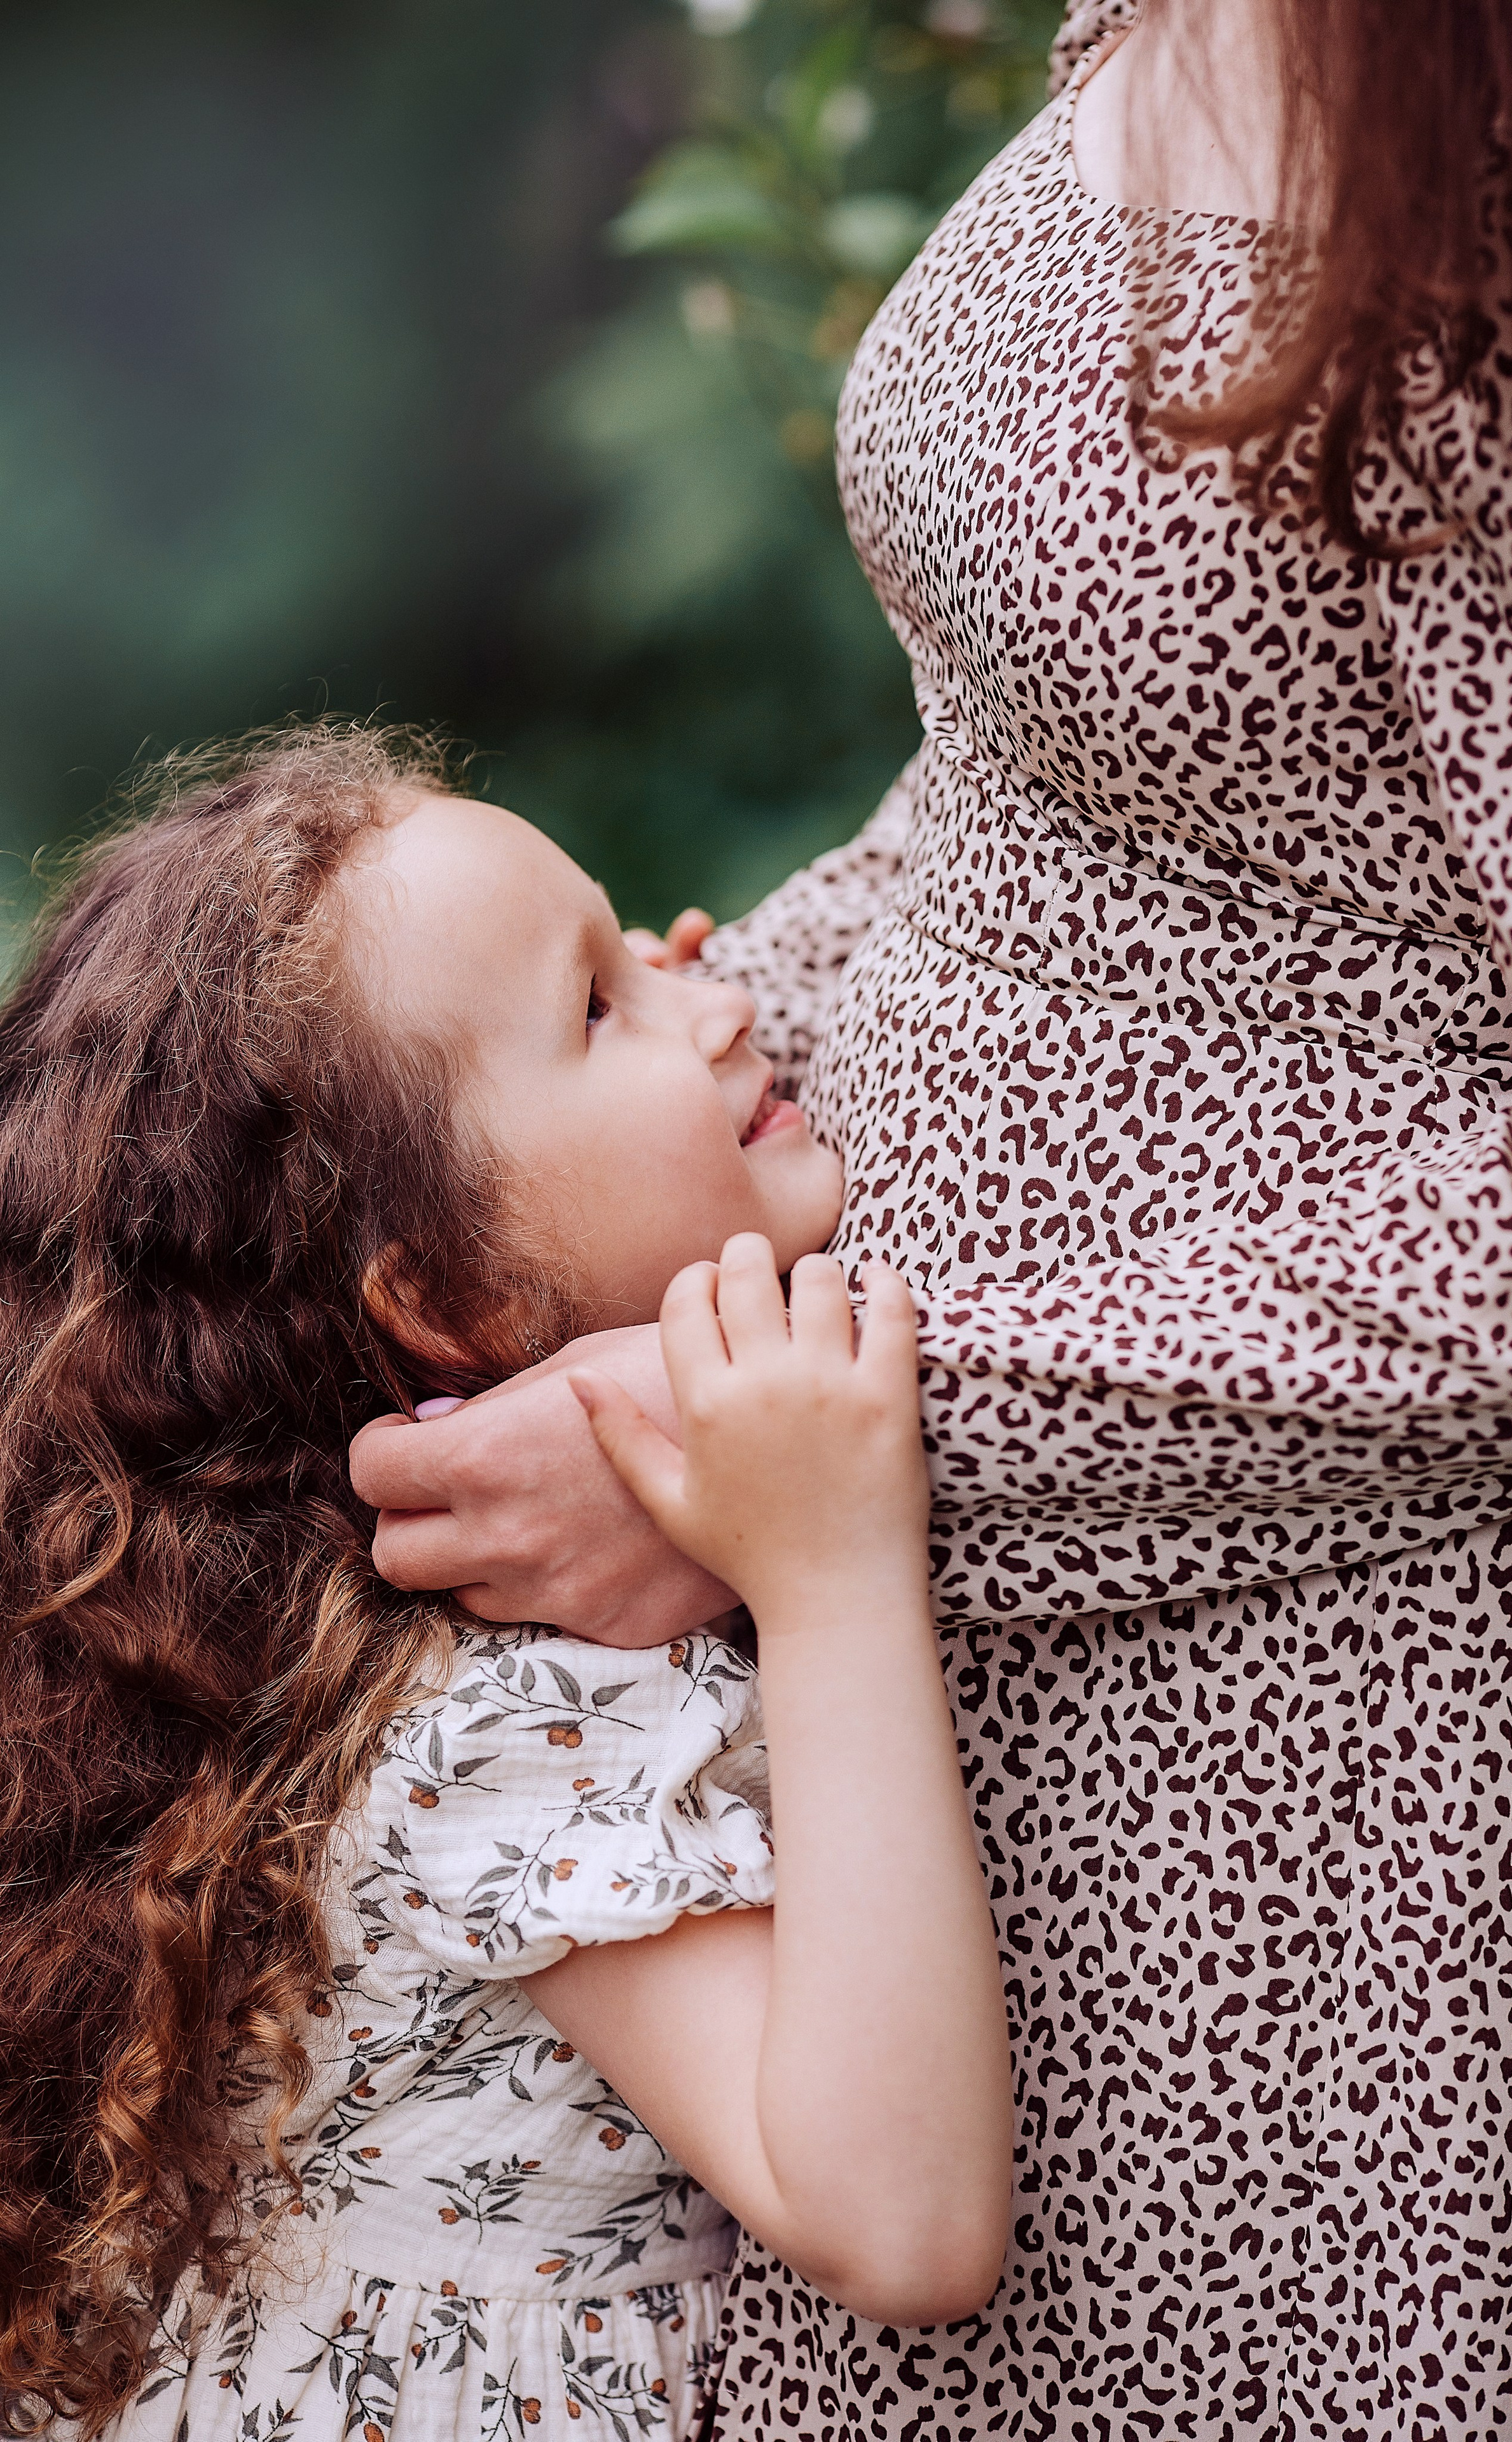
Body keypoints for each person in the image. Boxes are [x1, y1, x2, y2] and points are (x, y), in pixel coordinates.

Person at [351, 3, 1512, 2436]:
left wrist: (826, 1459)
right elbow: (1028, 801)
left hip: (1307, 1751)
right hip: (911, 1654)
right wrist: (596, 1156)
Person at [0, 729, 1012, 2442]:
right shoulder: (496, 1714)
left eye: (632, 937)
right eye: (603, 1002)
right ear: (451, 1292)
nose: (717, 967)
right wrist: (839, 1570)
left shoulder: (359, 1653)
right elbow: (900, 2221)